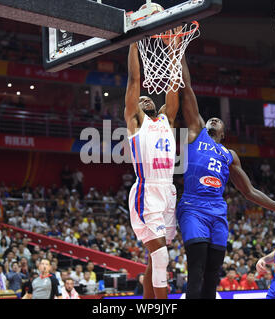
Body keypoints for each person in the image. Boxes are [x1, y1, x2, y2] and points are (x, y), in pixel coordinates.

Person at [177, 55, 275, 299]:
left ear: (224, 134)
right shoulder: (196, 133)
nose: (214, 118)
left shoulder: (230, 155)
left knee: (213, 273)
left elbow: (250, 192)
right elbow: (187, 88)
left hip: (217, 212)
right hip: (193, 206)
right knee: (196, 268)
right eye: (211, 118)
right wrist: (179, 54)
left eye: (218, 120)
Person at [124, 42, 180, 299]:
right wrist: (134, 45)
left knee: (153, 259)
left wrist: (173, 50)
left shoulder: (167, 118)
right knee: (161, 258)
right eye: (140, 99)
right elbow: (134, 79)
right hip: (147, 190)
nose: (143, 98)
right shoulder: (136, 121)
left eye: (148, 98)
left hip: (168, 190)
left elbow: (173, 85)